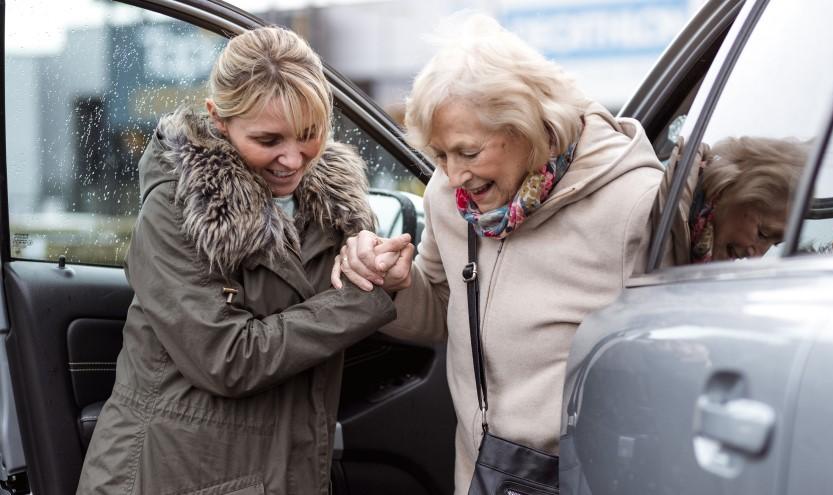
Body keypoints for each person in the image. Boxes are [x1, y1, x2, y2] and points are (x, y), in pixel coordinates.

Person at [332, 14, 664, 494]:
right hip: (484, 478)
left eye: (468, 152)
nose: (453, 175)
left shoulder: (634, 204)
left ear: (530, 124)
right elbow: (442, 311)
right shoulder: (448, 201)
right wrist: (393, 285)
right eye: (440, 155)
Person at [76, 26, 395, 495]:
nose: (292, 159)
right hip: (167, 474)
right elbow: (228, 358)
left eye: (310, 134)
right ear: (219, 120)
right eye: (268, 140)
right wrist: (364, 298)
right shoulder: (176, 206)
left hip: (279, 469)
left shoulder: (335, 205)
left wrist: (376, 259)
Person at [686, 136, 808, 263]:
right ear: (735, 189)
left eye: (774, 244)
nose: (756, 256)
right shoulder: (666, 210)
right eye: (762, 234)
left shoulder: (694, 245)